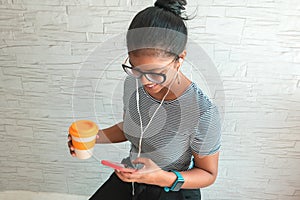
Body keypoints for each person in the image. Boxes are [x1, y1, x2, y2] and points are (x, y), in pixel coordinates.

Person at [68, 0, 221, 199]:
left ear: (179, 59)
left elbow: (208, 174)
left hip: (172, 187)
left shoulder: (202, 112)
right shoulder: (133, 84)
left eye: (156, 72)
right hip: (133, 176)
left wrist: (160, 178)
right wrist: (92, 138)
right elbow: (132, 127)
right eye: (135, 68)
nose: (145, 81)